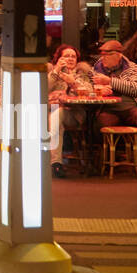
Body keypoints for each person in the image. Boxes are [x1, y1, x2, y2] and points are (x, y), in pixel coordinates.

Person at [91, 39, 137, 177]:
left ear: (118, 55)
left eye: (106, 55)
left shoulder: (130, 67)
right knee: (98, 123)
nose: (102, 59)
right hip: (109, 109)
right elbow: (89, 88)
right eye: (101, 55)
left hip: (130, 108)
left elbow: (136, 89)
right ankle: (103, 161)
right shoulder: (97, 68)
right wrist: (100, 90)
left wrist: (110, 81)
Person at [46, 43, 89, 178]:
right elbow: (42, 89)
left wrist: (73, 83)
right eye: (66, 56)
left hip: (75, 114)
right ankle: (56, 164)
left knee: (56, 116)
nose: (70, 59)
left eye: (73, 56)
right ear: (58, 58)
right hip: (52, 113)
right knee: (55, 117)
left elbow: (89, 92)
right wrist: (56, 70)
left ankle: (53, 163)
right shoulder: (52, 72)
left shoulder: (82, 73)